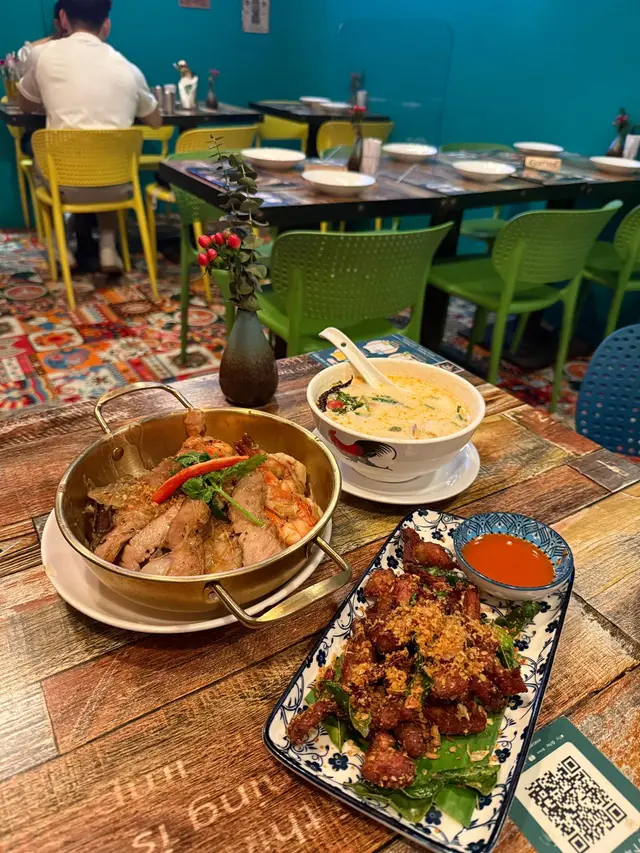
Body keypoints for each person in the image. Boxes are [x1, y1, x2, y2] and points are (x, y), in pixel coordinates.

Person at [17, 0, 161, 274]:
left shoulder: (41, 54)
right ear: (107, 24)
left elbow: (24, 105)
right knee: (109, 159)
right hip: (118, 186)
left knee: (39, 161)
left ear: (63, 18)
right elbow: (155, 121)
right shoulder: (129, 68)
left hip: (65, 185)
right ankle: (107, 248)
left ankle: (60, 245)